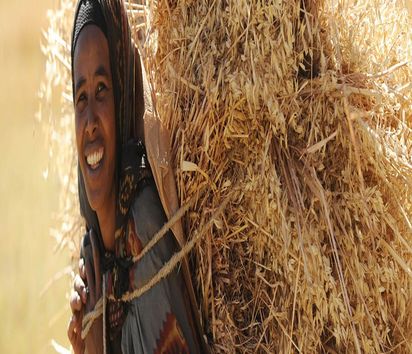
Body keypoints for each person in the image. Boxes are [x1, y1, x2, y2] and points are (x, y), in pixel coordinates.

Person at [66, 0, 207, 353]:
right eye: (81, 98)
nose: (90, 122)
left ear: (125, 99)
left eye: (102, 91)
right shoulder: (99, 254)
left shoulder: (145, 232)